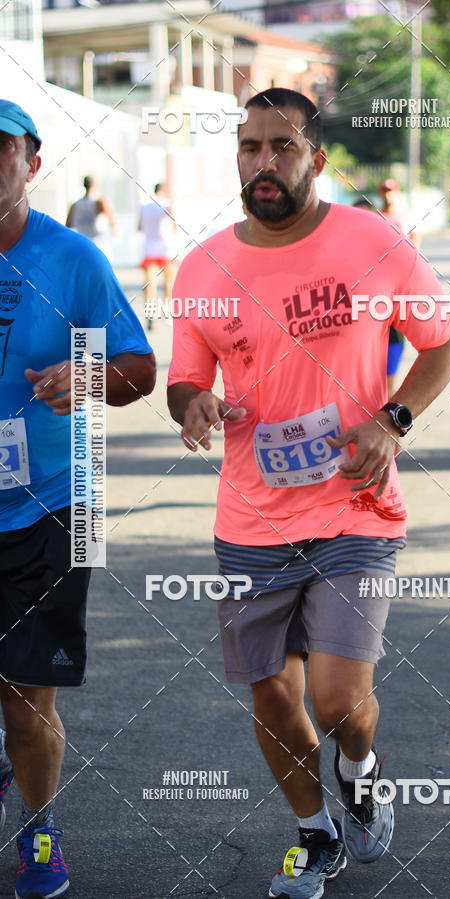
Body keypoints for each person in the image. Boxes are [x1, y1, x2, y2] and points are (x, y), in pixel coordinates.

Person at [167, 87, 450, 899]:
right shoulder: (205, 266)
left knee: (337, 700)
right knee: (272, 693)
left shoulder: (372, 241)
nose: (264, 163)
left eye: (283, 147)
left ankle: (362, 770)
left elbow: (442, 342)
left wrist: (393, 419)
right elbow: (186, 375)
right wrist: (191, 402)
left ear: (317, 160)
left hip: (354, 507)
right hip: (250, 517)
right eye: (250, 147)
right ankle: (315, 831)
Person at [0, 100, 156, 898]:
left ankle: (38, 830)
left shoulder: (75, 260)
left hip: (59, 505)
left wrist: (87, 375)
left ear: (31, 163)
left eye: (2, 151)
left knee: (27, 704)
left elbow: (140, 368)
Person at [353, 198, 405, 395]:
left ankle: (389, 423)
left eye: (366, 216)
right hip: (356, 336)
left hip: (390, 331)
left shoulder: (391, 251)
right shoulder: (337, 255)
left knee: (388, 387)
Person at [139, 182, 177, 331]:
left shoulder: (144, 207)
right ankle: (167, 315)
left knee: (150, 285)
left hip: (149, 249)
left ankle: (150, 316)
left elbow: (139, 226)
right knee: (169, 284)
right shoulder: (166, 204)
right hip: (166, 249)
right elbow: (173, 220)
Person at [66, 175, 116, 260]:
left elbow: (67, 226)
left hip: (83, 247)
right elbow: (112, 223)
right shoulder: (100, 202)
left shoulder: (75, 205)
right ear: (95, 186)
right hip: (100, 246)